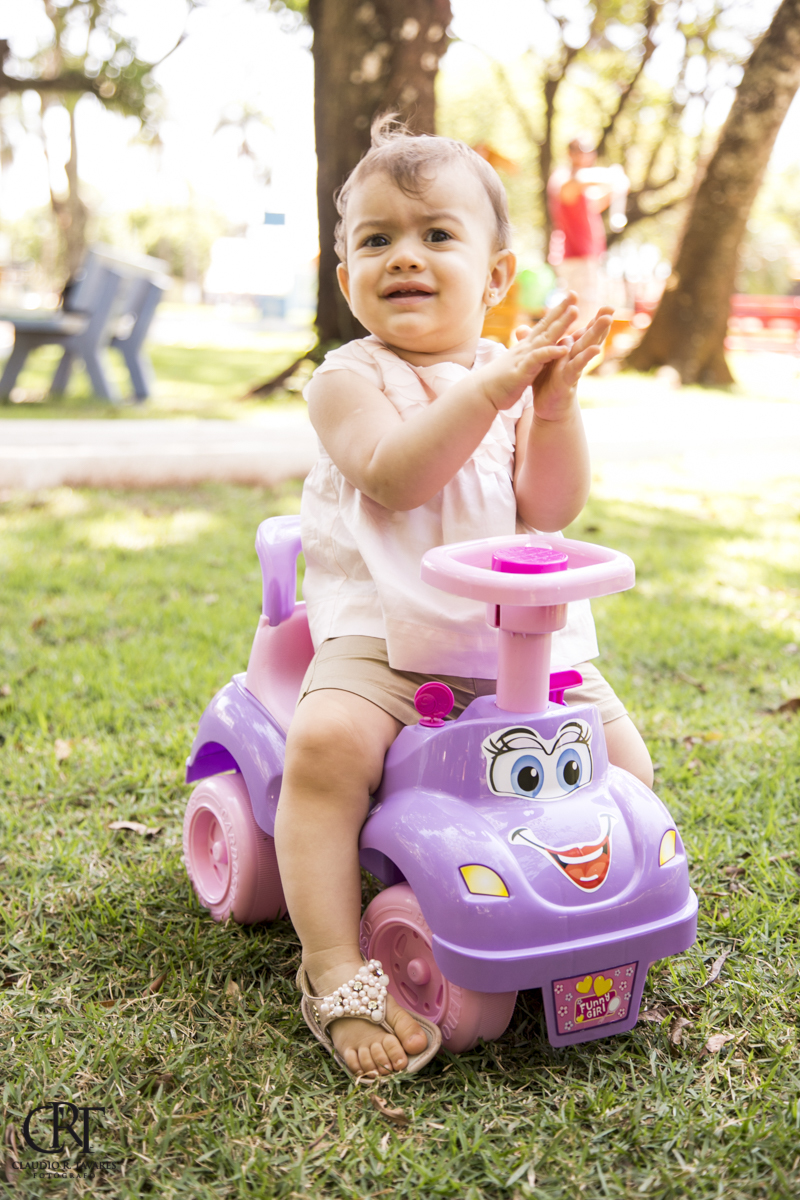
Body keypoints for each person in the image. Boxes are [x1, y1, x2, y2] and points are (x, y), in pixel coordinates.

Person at [273, 116, 652, 1083]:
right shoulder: (348, 379)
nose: (405, 255)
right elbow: (395, 476)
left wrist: (552, 406)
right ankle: (332, 964)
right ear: (346, 274)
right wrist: (492, 390)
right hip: (386, 642)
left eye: (437, 234)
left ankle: (602, 919)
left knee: (625, 767)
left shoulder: (511, 377)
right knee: (324, 750)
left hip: (524, 647)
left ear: (495, 276)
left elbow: (549, 508)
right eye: (377, 239)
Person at [547, 135, 627, 327]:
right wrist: (613, 175)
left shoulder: (585, 188)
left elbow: (595, 204)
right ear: (569, 153)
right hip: (574, 257)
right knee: (579, 315)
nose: (584, 156)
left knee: (587, 311)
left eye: (589, 151)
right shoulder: (563, 177)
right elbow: (578, 181)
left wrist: (617, 187)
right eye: (579, 150)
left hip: (588, 258)